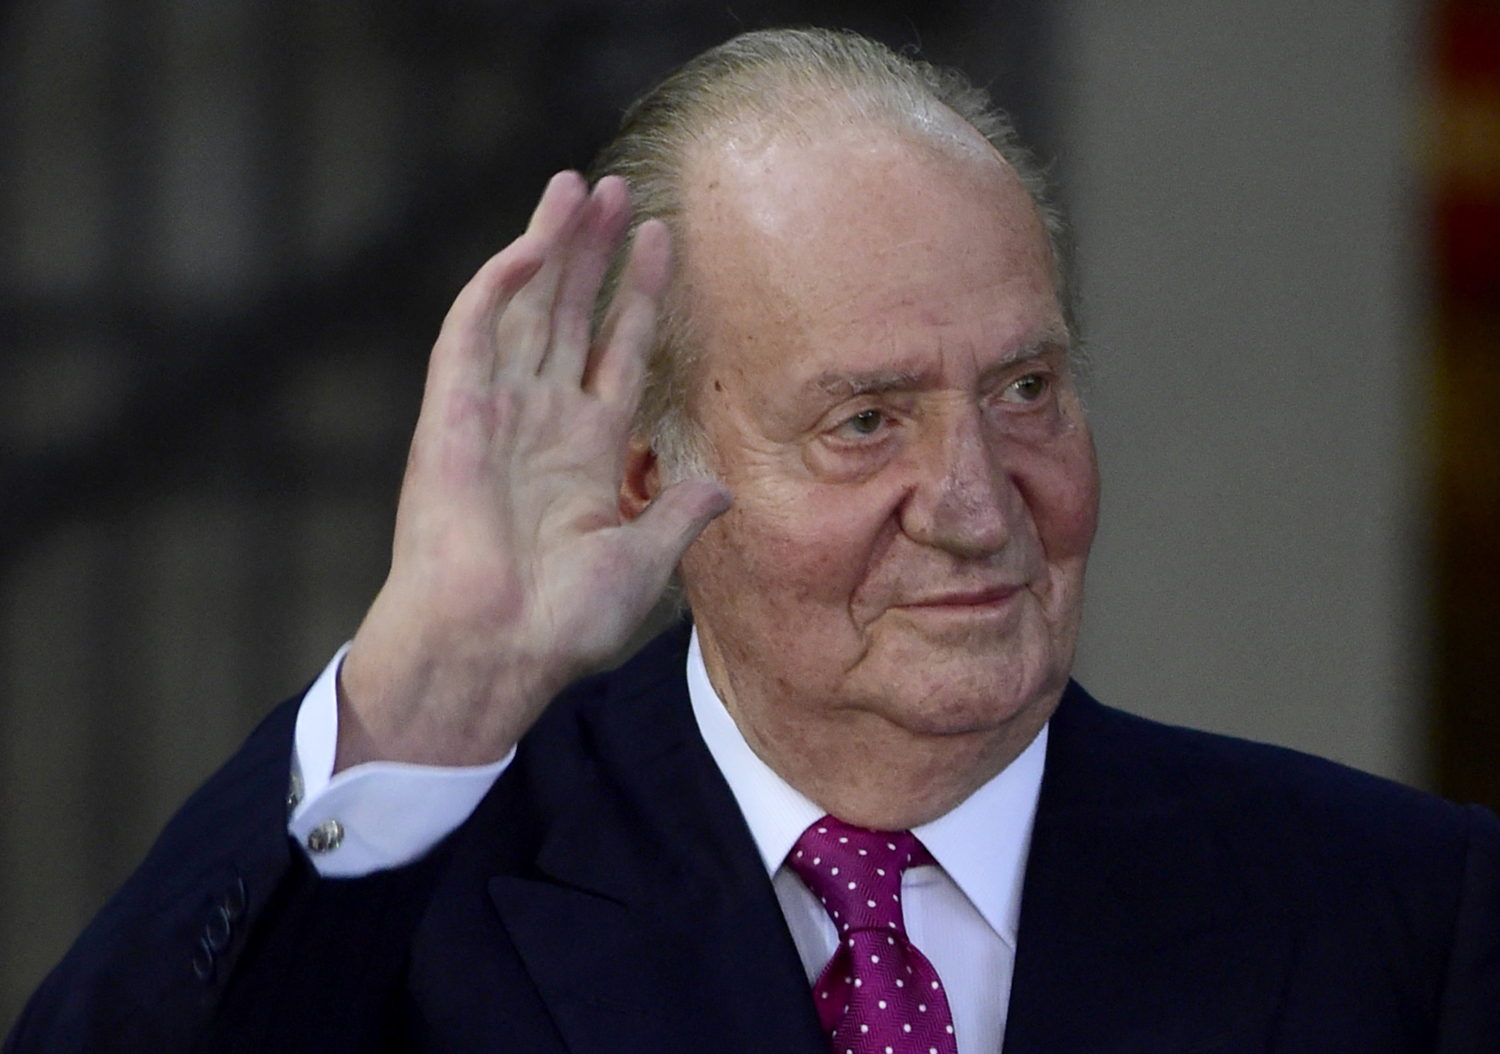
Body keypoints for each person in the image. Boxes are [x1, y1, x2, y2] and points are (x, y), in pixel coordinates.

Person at [6, 27, 1498, 1054]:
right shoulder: (423, 906)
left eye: (1024, 391)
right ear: (649, 472)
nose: (977, 502)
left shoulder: (1398, 911)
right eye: (867, 420)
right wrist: (421, 692)